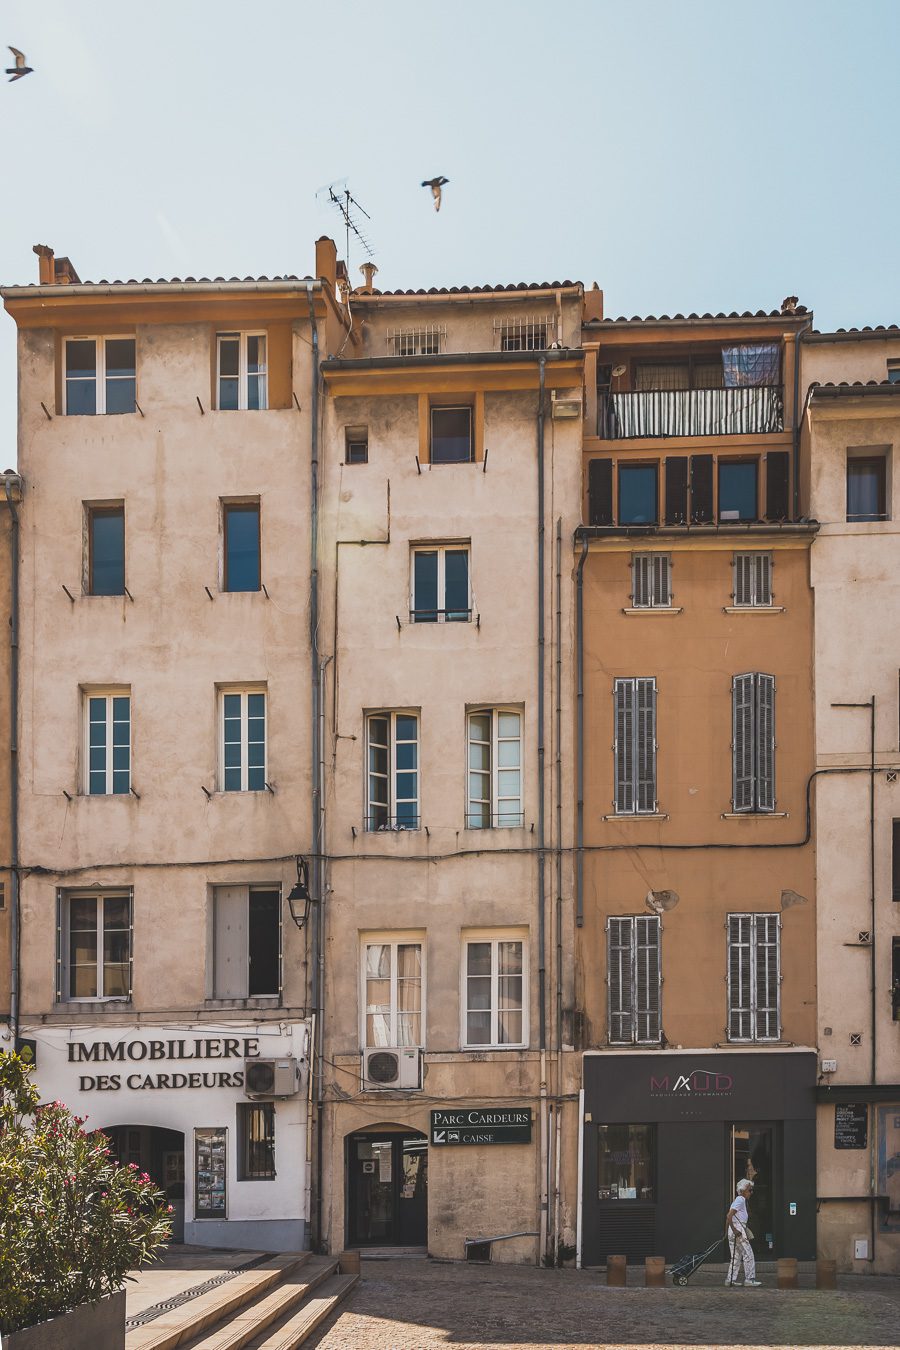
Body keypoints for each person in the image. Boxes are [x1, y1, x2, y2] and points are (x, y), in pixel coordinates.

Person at [725, 1178, 761, 1286]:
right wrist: (735, 1230)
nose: (751, 1192)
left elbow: (728, 1217)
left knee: (735, 1257)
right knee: (748, 1254)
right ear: (743, 1190)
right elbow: (729, 1215)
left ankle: (730, 1279)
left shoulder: (738, 1200)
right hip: (738, 1230)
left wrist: (726, 1232)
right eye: (750, 1190)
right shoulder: (740, 1200)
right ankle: (749, 1279)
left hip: (733, 1230)